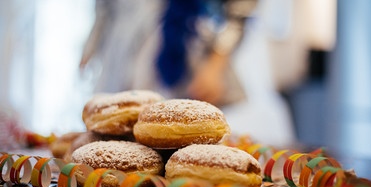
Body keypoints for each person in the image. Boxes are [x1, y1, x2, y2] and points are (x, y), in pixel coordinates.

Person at [80, 0, 296, 146]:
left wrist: (216, 63)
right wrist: (91, 45)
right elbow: (104, 10)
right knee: (122, 132)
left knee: (192, 136)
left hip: (189, 52)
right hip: (123, 57)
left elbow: (239, 10)